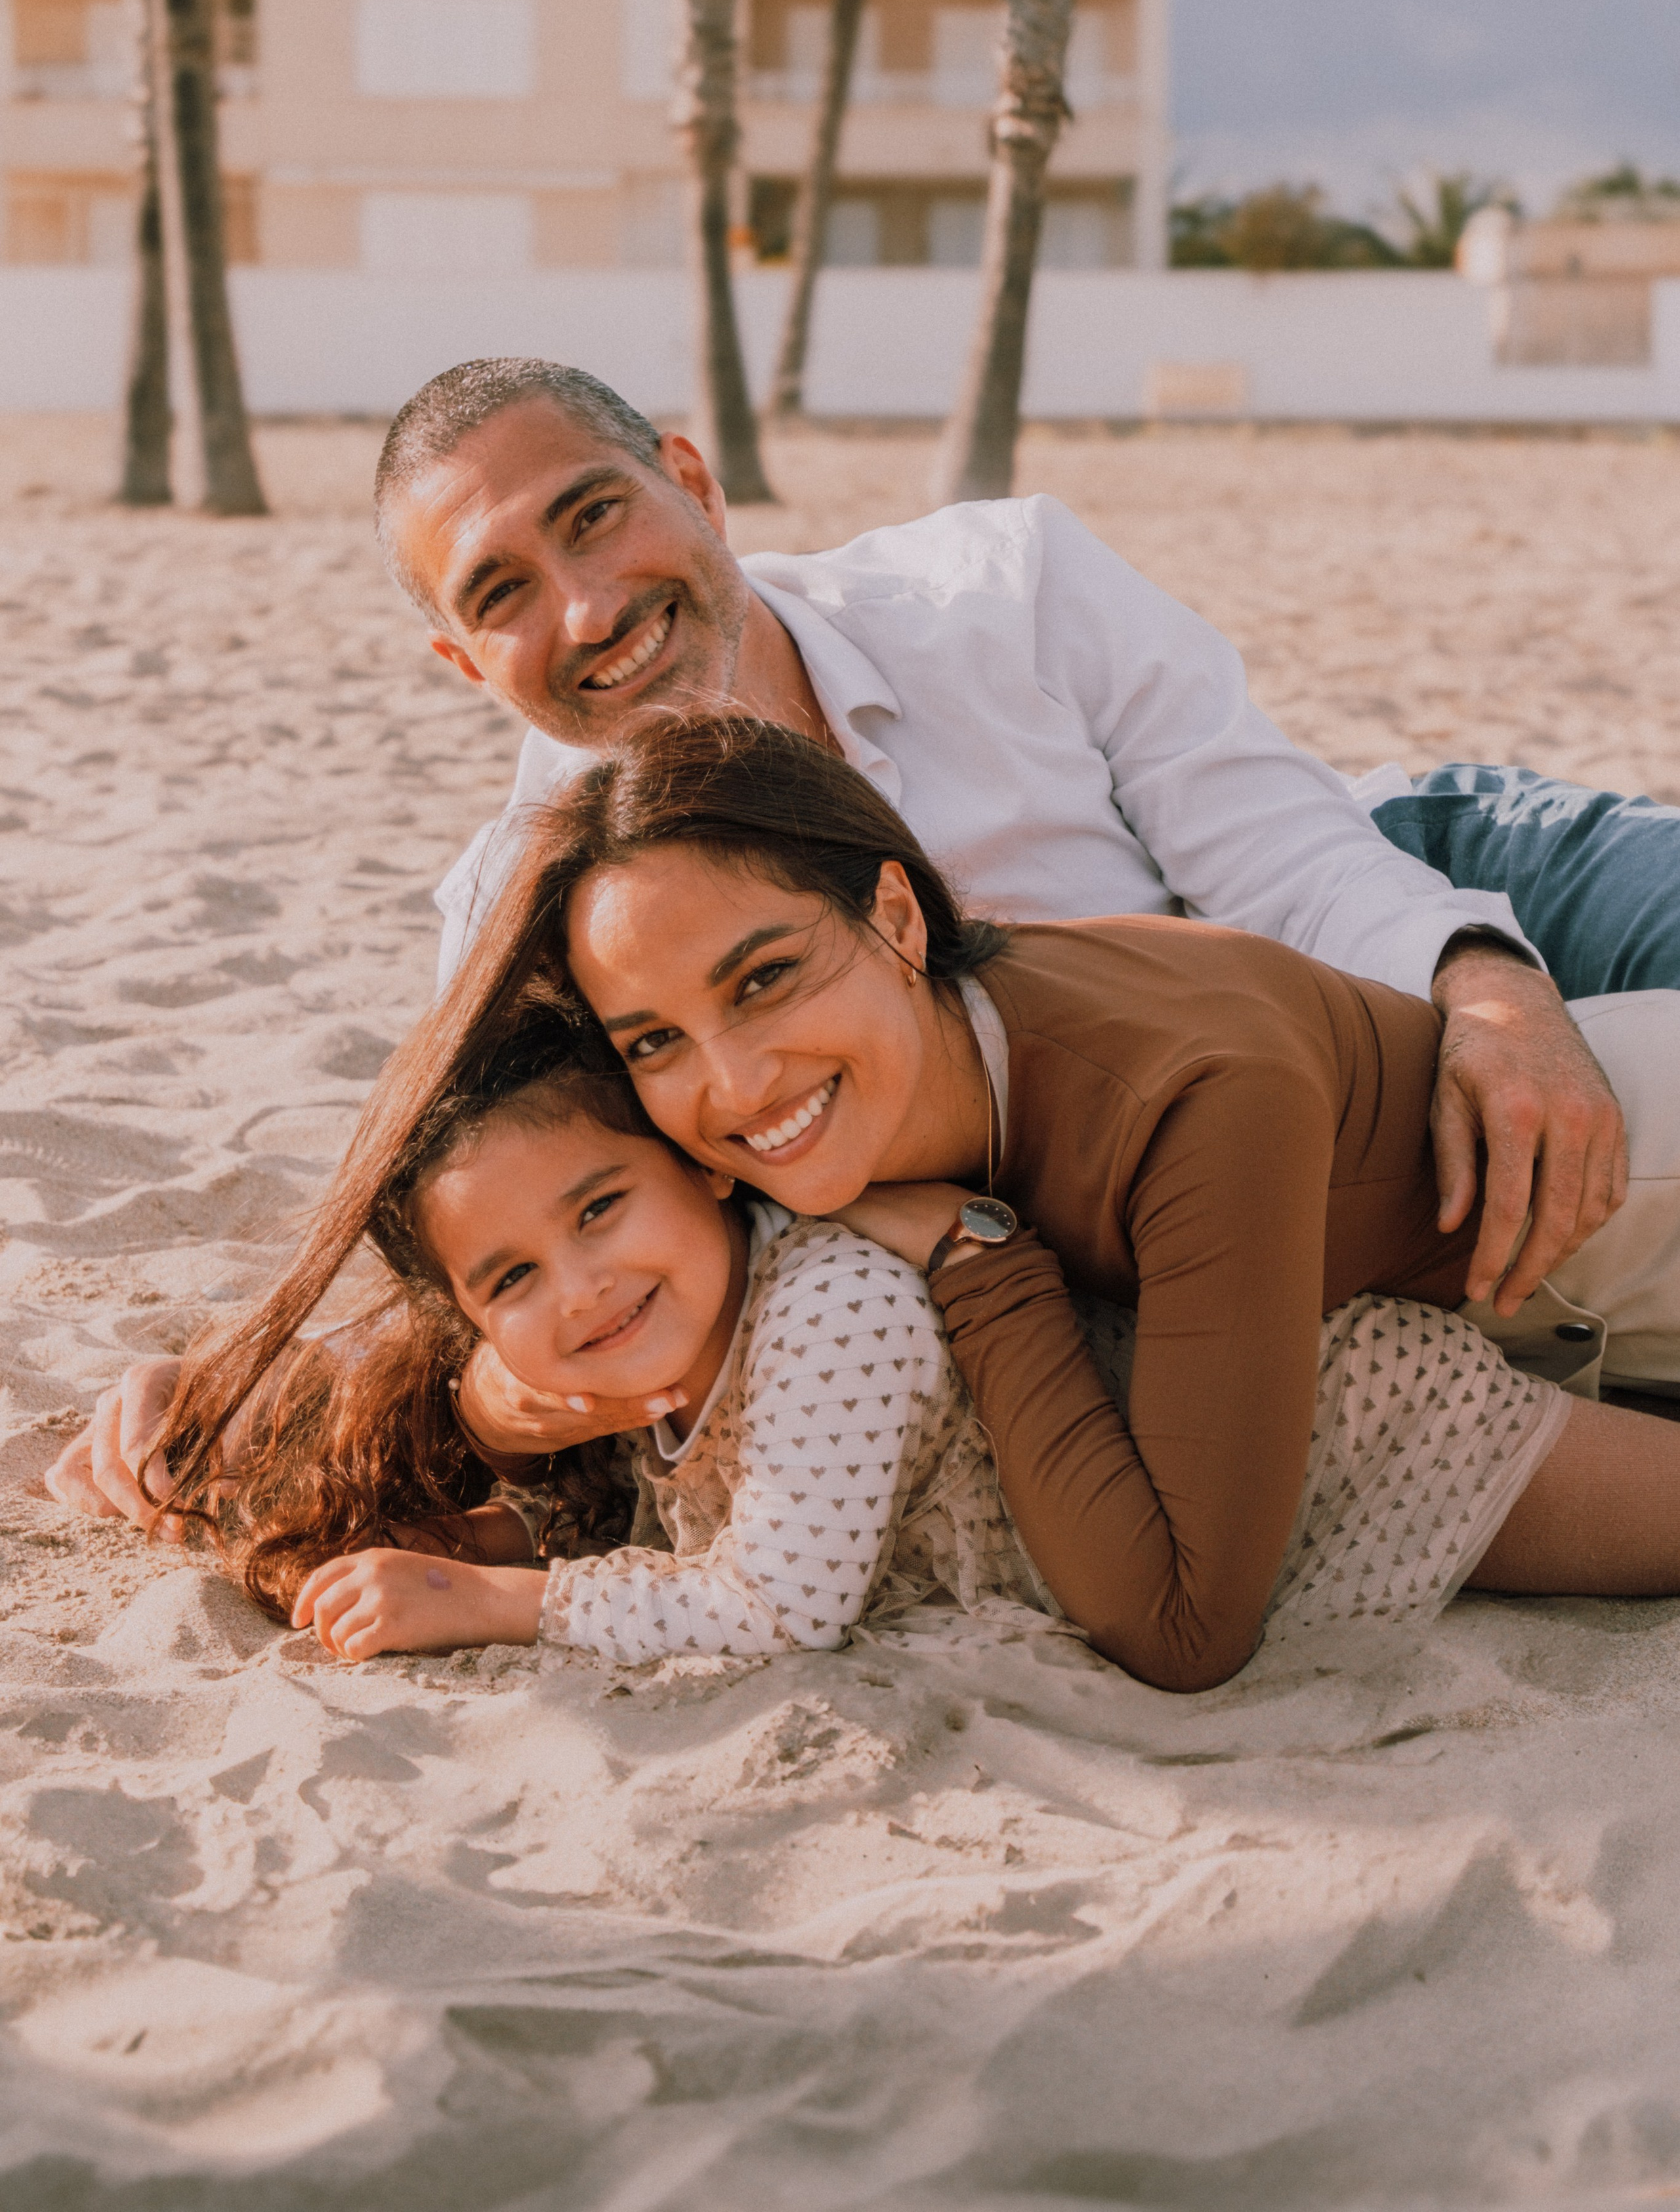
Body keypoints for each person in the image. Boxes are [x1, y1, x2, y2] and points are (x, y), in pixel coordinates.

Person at [44, 357, 1629, 1526]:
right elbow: (545, 1216)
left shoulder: (1004, 584)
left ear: (694, 481)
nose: (588, 610)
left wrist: (1484, 990)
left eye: (597, 517)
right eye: (506, 593)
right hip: (1240, 1118)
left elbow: (1280, 853)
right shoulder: (517, 917)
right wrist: (259, 1380)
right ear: (463, 664)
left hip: (1402, 877)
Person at [423, 714, 1680, 1694]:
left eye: (765, 980)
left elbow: (1185, 1628)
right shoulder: (821, 1115)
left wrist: (976, 1260)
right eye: (655, 1041)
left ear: (898, 917)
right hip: (1486, 1315)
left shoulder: (1188, 1102)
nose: (733, 1085)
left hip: (1625, 1206)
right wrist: (500, 1393)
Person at [160, 1023, 1041, 1665]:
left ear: (703, 1163)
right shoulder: (655, 1343)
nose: (582, 1291)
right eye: (513, 1280)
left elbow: (780, 1608)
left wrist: (481, 1598)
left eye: (599, 1210)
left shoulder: (837, 1301)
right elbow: (666, 1520)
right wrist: (494, 1535)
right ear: (475, 1331)